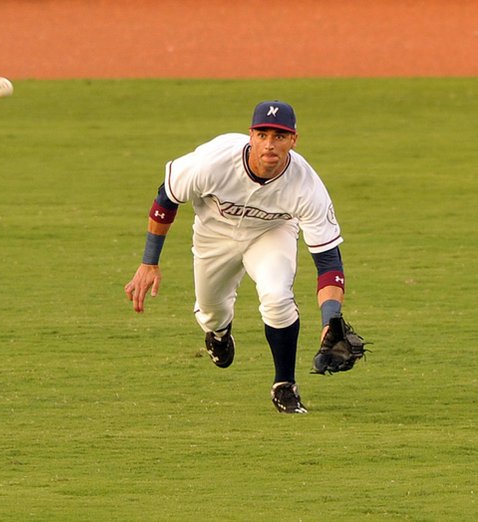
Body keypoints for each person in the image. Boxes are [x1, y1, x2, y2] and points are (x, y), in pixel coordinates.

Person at [124, 101, 347, 414]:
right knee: (211, 311)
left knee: (277, 296)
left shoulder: (306, 186)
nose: (270, 143)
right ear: (251, 135)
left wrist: (330, 320)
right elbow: (166, 199)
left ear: (293, 140)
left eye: (280, 136)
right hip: (214, 233)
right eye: (263, 134)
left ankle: (284, 385)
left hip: (271, 233)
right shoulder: (212, 162)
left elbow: (328, 262)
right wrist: (149, 262)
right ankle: (219, 332)